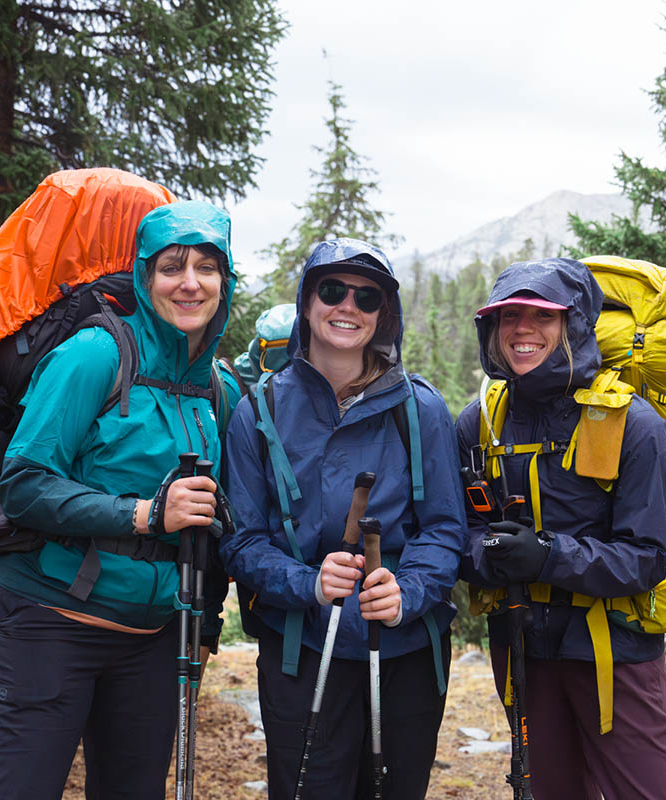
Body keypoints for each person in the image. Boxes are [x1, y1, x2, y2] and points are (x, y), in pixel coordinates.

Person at [0, 200, 238, 799]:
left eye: (206, 267)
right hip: (43, 624)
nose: (189, 283)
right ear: (146, 278)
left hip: (151, 641)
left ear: (226, 280)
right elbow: (23, 484)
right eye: (172, 266)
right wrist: (145, 514)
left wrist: (202, 627)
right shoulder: (94, 354)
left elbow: (219, 529)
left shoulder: (216, 389)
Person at [221, 239, 465, 800]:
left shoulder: (420, 410)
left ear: (384, 315)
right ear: (308, 303)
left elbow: (446, 528)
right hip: (301, 647)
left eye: (367, 296)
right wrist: (307, 582)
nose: (348, 306)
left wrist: (409, 590)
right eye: (332, 291)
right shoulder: (258, 411)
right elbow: (242, 541)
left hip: (403, 650)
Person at [457, 257, 666, 799]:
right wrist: (487, 553)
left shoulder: (636, 426)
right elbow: (453, 533)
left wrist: (546, 555)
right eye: (507, 316)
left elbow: (647, 558)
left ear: (575, 323)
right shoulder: (479, 423)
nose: (521, 329)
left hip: (616, 654)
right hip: (523, 651)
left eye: (542, 315)